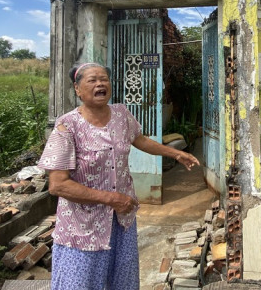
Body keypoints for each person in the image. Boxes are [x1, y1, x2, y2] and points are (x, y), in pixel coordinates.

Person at [38, 62, 200, 290]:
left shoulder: (121, 114)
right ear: (77, 88)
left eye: (104, 79)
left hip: (121, 220)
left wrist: (175, 154)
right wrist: (110, 198)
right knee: (80, 283)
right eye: (92, 80)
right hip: (83, 226)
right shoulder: (67, 126)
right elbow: (57, 185)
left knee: (122, 281)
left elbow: (139, 139)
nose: (100, 84)